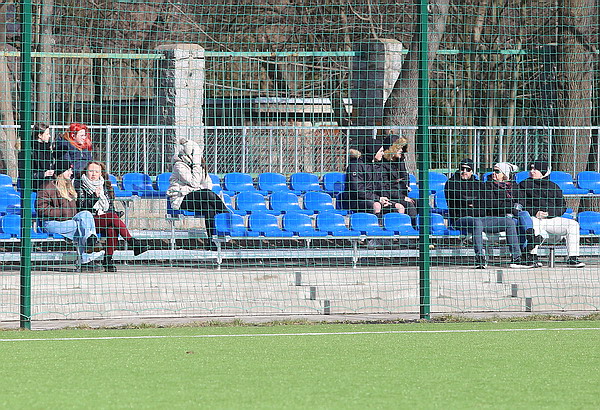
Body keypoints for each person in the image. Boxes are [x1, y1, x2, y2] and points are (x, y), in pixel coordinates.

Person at [445, 158, 529, 269]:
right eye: (462, 168)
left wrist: (472, 202)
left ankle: (516, 257)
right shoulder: (452, 183)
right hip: (460, 218)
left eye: (467, 169)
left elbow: (483, 203)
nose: (464, 171)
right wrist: (473, 201)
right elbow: (461, 199)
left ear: (472, 171)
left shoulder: (478, 184)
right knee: (477, 222)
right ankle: (480, 258)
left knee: (509, 222)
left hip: (481, 217)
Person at [77, 161, 149, 272]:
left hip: (105, 218)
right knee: (112, 217)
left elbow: (110, 207)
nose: (93, 174)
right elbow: (82, 209)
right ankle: (133, 243)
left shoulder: (105, 186)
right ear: (85, 172)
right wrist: (94, 197)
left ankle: (108, 260)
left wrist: (111, 213)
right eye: (91, 171)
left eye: (97, 171)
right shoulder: (80, 185)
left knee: (112, 228)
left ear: (101, 173)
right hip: (88, 220)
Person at [515, 159, 585, 268]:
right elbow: (520, 205)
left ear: (543, 171)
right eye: (531, 169)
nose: (532, 171)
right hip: (534, 218)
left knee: (573, 224)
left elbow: (562, 207)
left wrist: (549, 213)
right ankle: (532, 256)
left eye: (535, 169)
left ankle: (572, 257)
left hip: (551, 219)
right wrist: (535, 212)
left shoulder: (553, 186)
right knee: (533, 223)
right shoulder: (524, 185)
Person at [36, 158, 104, 267]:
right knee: (83, 227)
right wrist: (62, 212)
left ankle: (90, 245)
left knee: (86, 215)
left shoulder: (69, 187)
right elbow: (41, 209)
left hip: (69, 221)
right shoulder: (47, 186)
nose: (71, 173)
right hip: (53, 223)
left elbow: (79, 208)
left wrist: (94, 198)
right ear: (61, 172)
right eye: (68, 170)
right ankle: (88, 259)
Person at [166, 138, 230, 251]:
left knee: (209, 208)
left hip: (195, 198)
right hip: (181, 199)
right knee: (207, 193)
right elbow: (195, 183)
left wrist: (199, 167)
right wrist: (196, 165)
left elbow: (207, 184)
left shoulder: (199, 166)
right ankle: (228, 216)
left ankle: (210, 241)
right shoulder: (179, 165)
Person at [339, 139, 404, 216]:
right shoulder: (355, 166)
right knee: (377, 206)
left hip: (374, 198)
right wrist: (377, 198)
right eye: (381, 151)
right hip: (356, 200)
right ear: (374, 151)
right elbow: (357, 190)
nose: (383, 153)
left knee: (399, 207)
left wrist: (384, 199)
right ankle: (378, 223)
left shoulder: (377, 166)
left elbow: (381, 186)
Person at [380, 135, 418, 227]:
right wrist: (402, 197)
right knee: (410, 206)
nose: (401, 150)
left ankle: (425, 230)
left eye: (402, 148)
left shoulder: (400, 161)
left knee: (423, 205)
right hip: (390, 196)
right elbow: (385, 188)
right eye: (398, 148)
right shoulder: (382, 165)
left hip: (402, 194)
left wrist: (406, 186)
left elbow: (405, 176)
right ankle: (412, 230)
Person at [18, 123, 55, 192]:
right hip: (34, 187)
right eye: (47, 134)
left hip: (48, 185)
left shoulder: (47, 149)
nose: (49, 136)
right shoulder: (29, 151)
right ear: (39, 135)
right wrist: (44, 174)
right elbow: (25, 174)